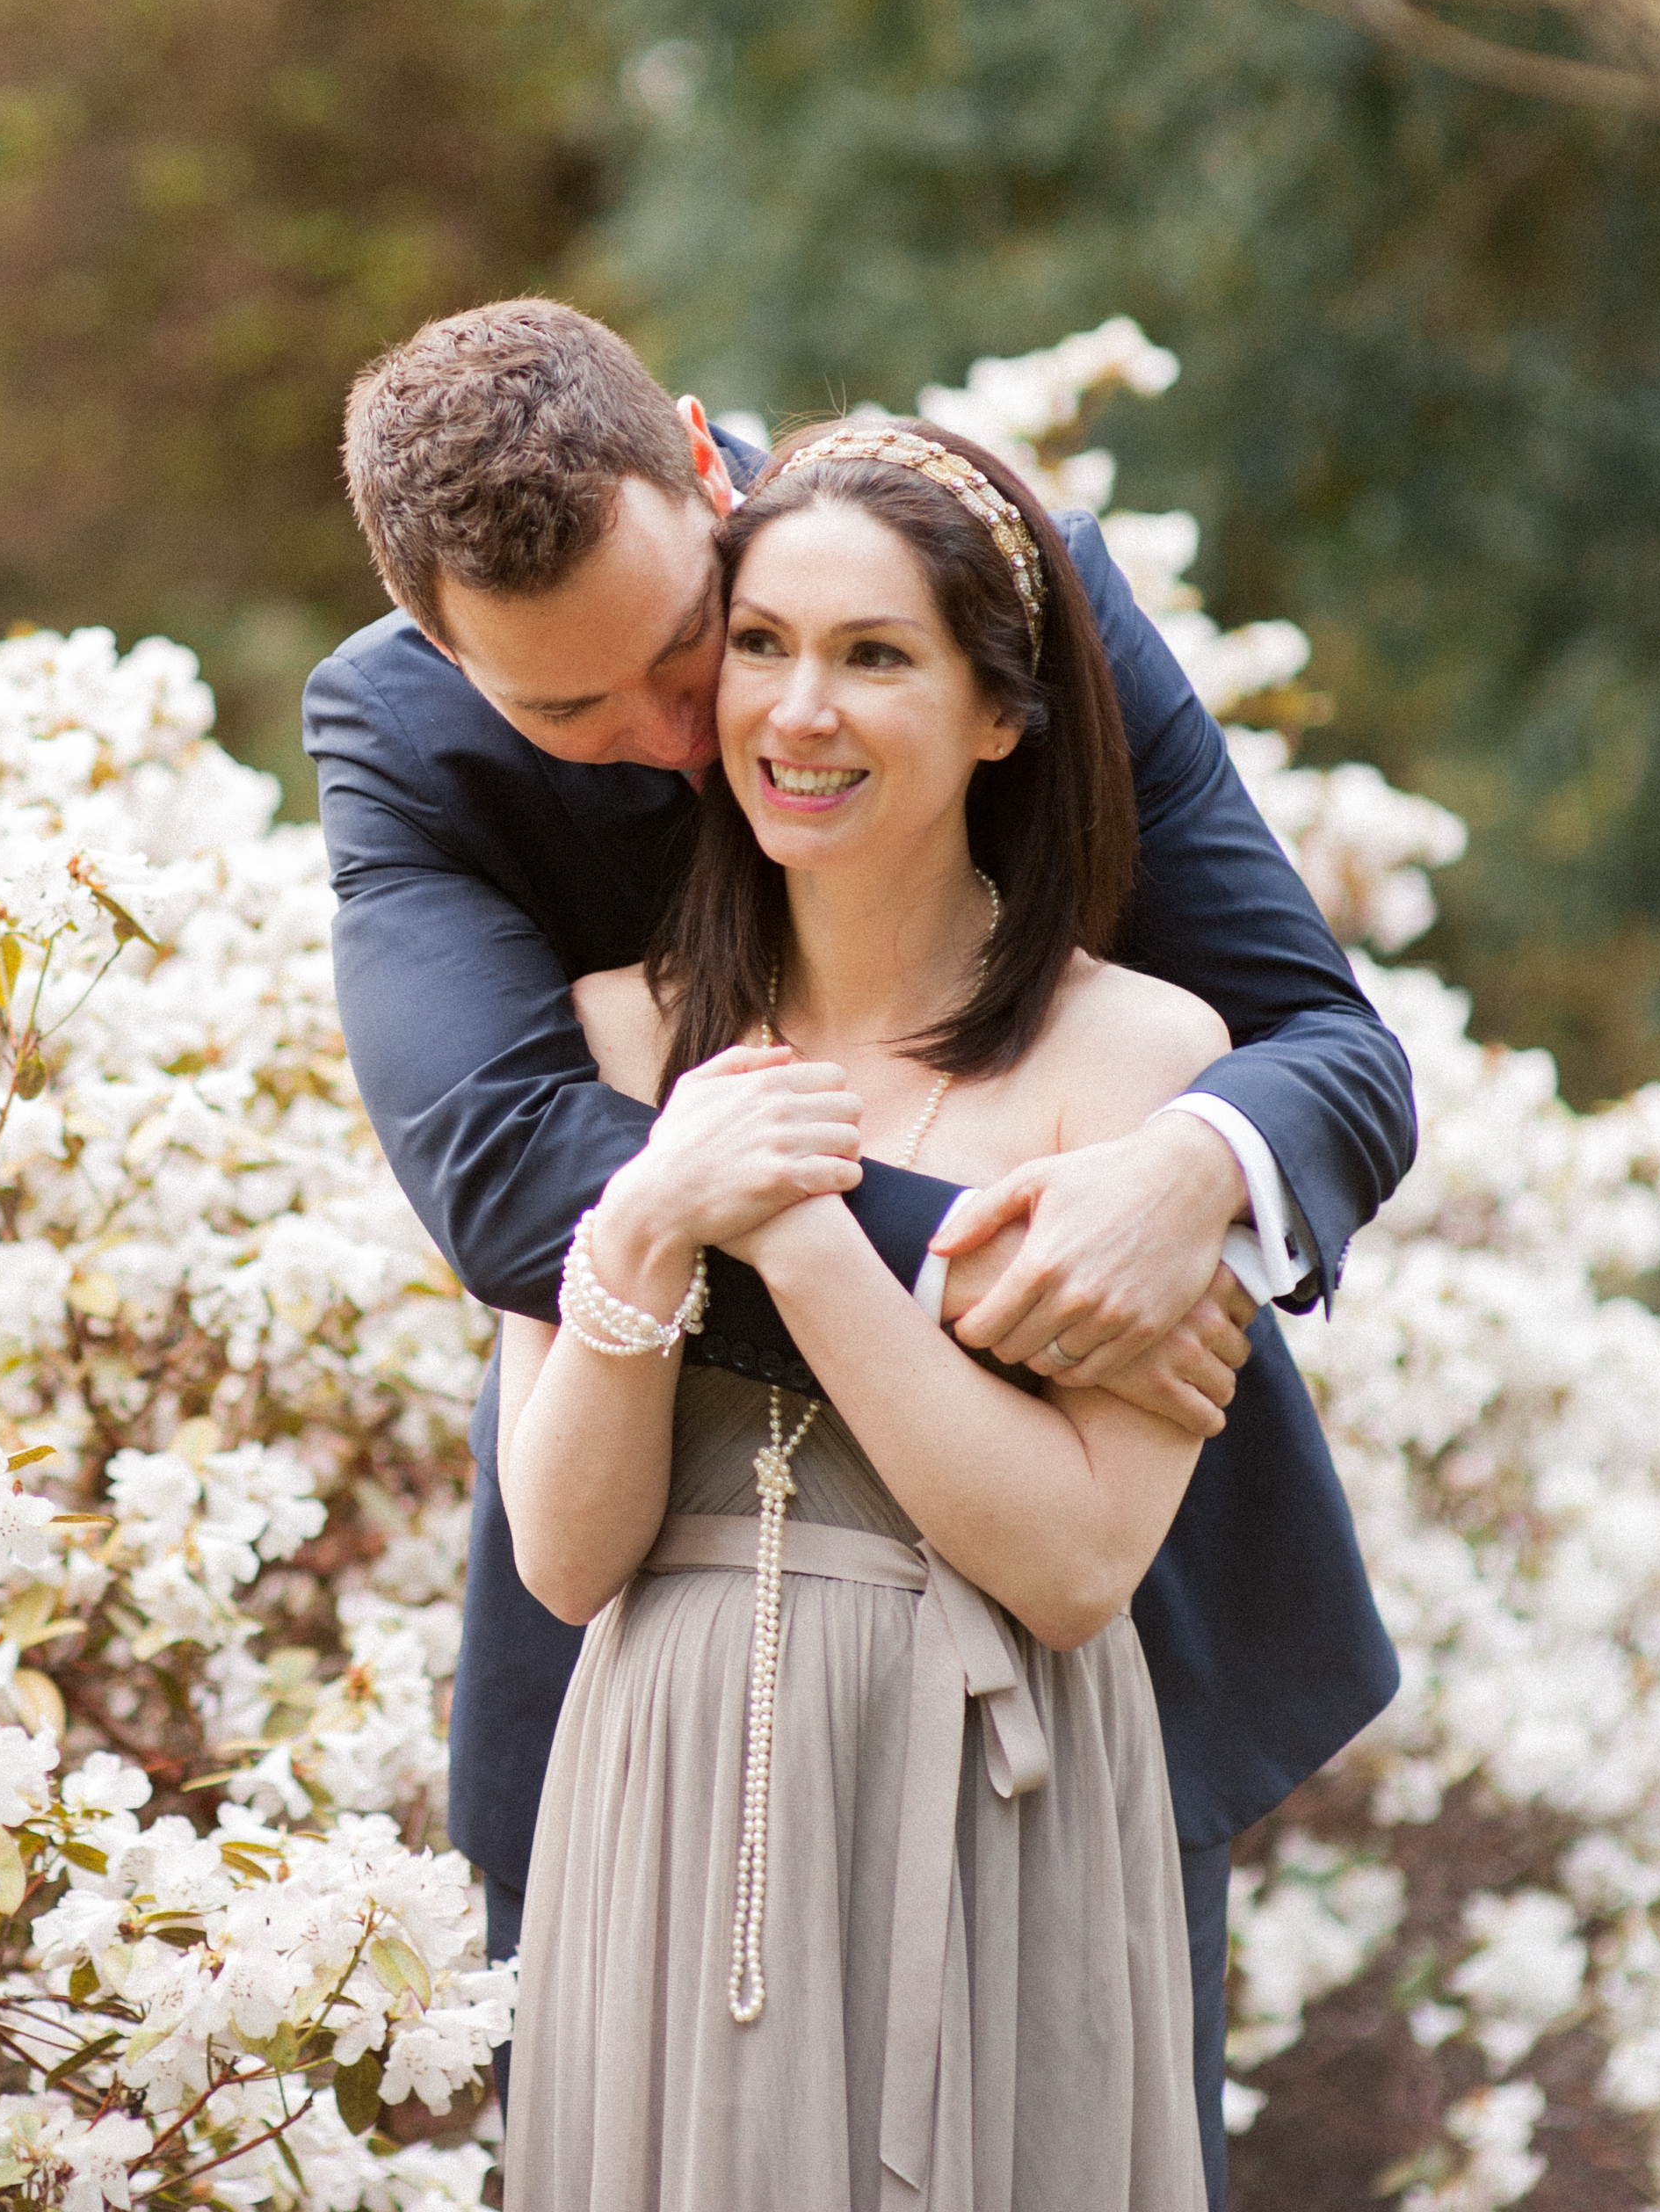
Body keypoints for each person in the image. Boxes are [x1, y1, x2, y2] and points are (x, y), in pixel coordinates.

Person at [305, 300, 1409, 2203]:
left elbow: (1324, 1049)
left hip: (1064, 1661)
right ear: (439, 647)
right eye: (572, 716)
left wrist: (1174, 1180)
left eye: (683, 648)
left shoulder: (989, 578)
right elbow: (507, 1178)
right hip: (644, 1688)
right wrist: (1013, 1289)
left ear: (705, 473)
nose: (695, 738)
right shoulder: (400, 738)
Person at [503, 414, 1223, 2205]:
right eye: (759, 647)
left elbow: (1071, 1566)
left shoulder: (1138, 1066)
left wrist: (804, 1238)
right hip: (659, 1786)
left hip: (988, 1809)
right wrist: (658, 1207)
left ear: (999, 712)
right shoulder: (603, 1039)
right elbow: (566, 1555)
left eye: (872, 657)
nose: (795, 713)